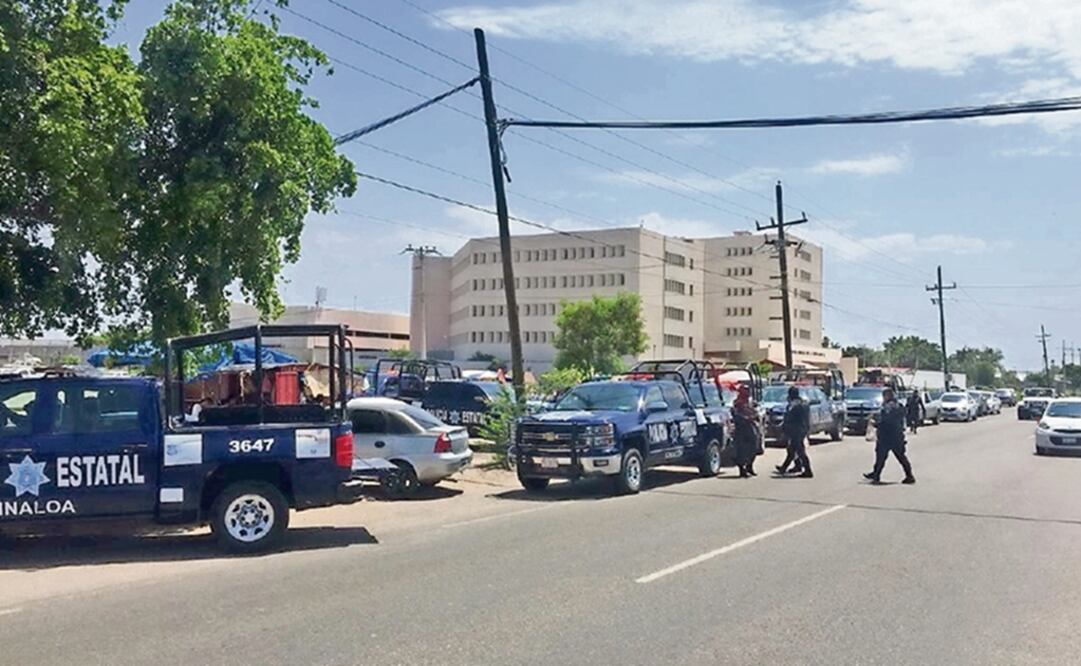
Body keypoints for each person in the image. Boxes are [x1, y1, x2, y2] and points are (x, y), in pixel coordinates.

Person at [865, 387, 916, 484]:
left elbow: (887, 420)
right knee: (900, 457)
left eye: (884, 395)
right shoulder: (898, 405)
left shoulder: (889, 406)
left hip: (887, 436)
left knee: (882, 457)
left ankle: (876, 476)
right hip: (897, 436)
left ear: (887, 396)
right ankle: (909, 475)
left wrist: (875, 423)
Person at [775, 385, 813, 478]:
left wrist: (785, 428)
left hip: (797, 431)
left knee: (800, 451)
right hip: (800, 430)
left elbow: (792, 419)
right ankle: (786, 467)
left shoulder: (796, 405)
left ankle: (808, 471)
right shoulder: (800, 403)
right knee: (791, 450)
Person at [731, 386, 760, 478]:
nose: (748, 393)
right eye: (746, 391)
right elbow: (736, 415)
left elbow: (755, 411)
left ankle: (749, 466)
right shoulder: (737, 403)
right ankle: (742, 470)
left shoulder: (750, 402)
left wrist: (755, 415)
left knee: (754, 448)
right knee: (741, 450)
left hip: (751, 427)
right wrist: (746, 418)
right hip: (741, 429)